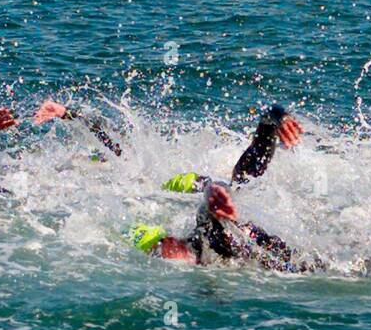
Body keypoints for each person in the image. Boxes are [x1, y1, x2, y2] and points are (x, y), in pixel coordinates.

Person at [131, 105, 311, 271]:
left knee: (231, 197)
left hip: (217, 207)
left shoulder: (178, 192)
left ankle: (271, 121)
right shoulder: (186, 250)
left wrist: (275, 116)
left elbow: (215, 188)